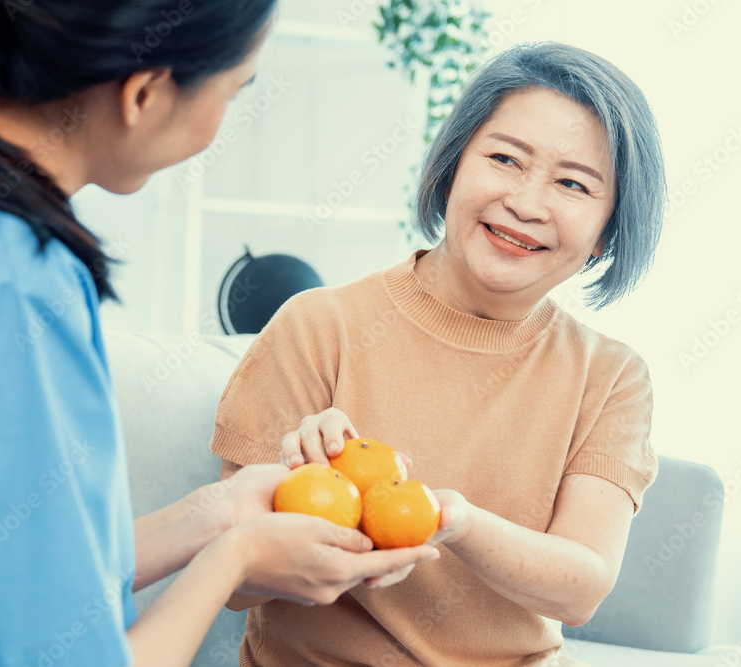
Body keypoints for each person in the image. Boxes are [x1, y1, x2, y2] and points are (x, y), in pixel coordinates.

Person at [0, 1, 442, 665]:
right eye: (234, 91)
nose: (220, 126)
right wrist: (236, 557)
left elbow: (13, 572)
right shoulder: (8, 287)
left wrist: (217, 512)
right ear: (145, 92)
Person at [212, 42, 667, 666]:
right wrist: (306, 490)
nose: (527, 204)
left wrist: (452, 519)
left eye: (572, 184)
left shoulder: (612, 377)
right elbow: (231, 582)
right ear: (451, 168)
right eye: (505, 159)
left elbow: (583, 587)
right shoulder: (319, 325)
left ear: (605, 234)